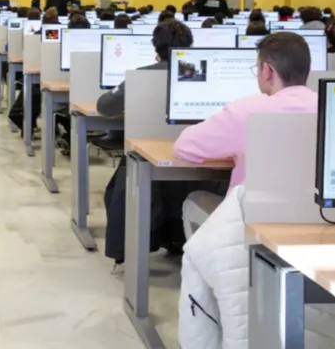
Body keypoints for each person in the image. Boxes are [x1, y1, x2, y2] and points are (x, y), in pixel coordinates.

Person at [175, 33, 322, 348]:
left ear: (267, 71)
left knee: (193, 201)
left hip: (253, 231)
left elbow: (185, 148)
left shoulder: (251, 110)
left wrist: (233, 148)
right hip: (318, 229)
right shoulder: (328, 106)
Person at [99, 21, 220, 264]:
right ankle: (177, 235)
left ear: (156, 48)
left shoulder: (141, 76)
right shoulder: (205, 75)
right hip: (200, 162)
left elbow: (104, 106)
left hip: (149, 160)